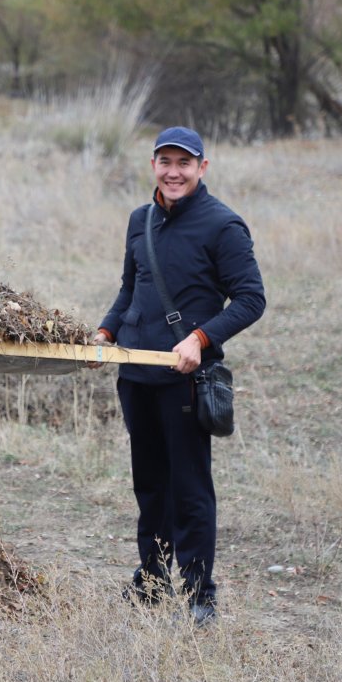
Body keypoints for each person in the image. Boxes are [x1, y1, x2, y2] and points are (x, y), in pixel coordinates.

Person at [95, 126, 265, 626]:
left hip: (186, 378)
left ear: (202, 168)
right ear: (153, 165)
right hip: (136, 373)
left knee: (189, 488)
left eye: (184, 163)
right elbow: (130, 289)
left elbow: (251, 299)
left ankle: (199, 595)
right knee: (149, 484)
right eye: (165, 162)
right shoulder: (139, 220)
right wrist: (106, 331)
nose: (173, 172)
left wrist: (199, 340)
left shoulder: (223, 226)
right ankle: (150, 582)